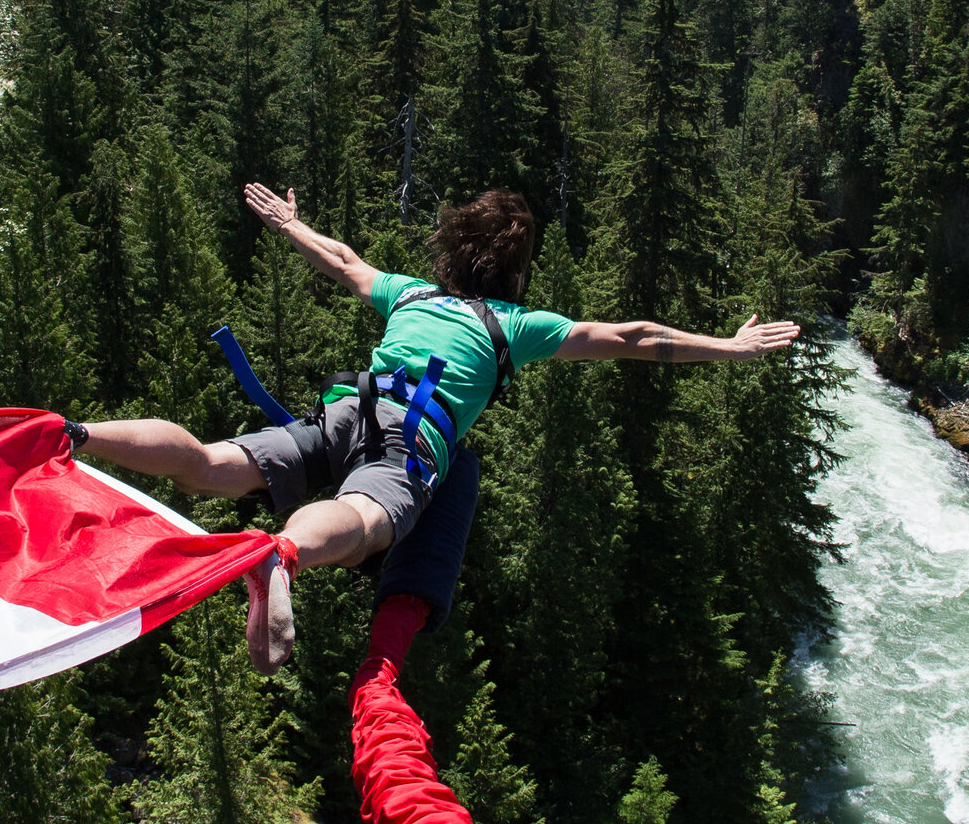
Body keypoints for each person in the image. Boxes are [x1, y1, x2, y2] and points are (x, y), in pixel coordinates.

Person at [73, 183, 800, 672]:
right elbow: (633, 336)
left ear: (451, 250)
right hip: (409, 439)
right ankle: (283, 553)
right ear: (514, 271)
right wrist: (729, 346)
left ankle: (75, 434)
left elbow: (344, 261)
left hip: (345, 411)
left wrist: (290, 223)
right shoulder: (513, 325)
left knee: (206, 461)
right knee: (364, 518)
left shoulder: (410, 291)